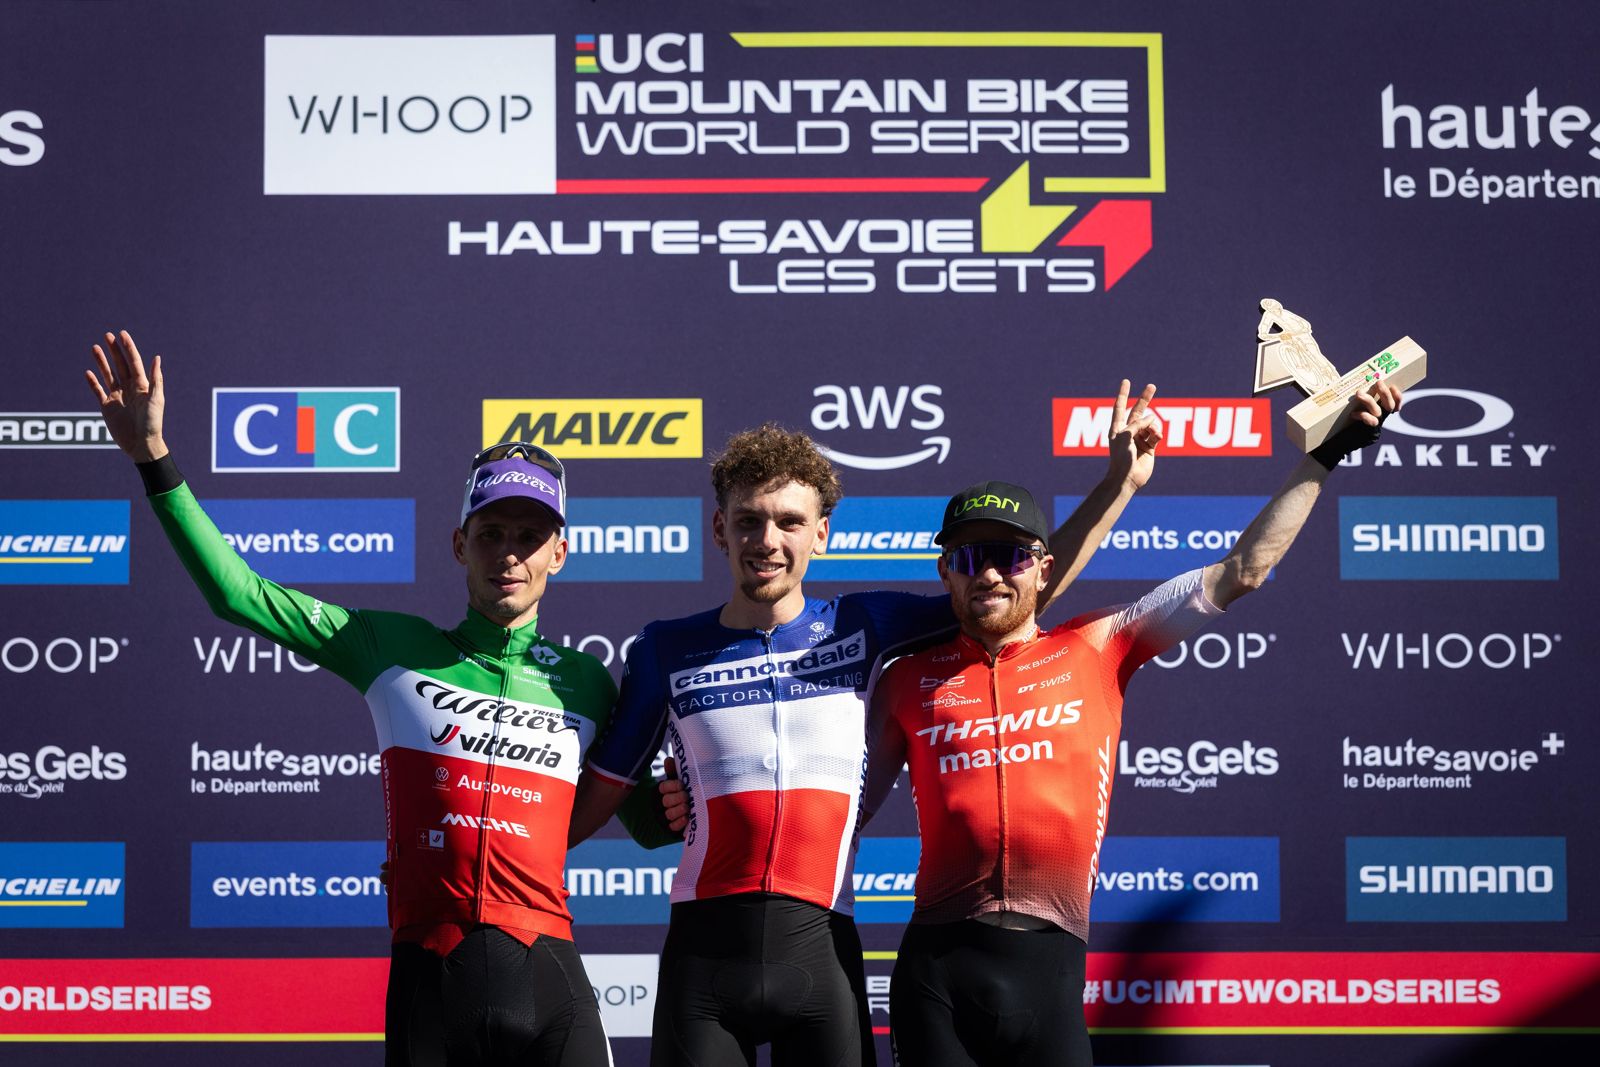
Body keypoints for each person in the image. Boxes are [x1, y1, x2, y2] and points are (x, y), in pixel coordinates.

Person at [84, 330, 669, 1067]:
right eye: (491, 533)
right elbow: (238, 594)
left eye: (529, 536)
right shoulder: (388, 644)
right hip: (431, 975)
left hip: (552, 975)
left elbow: (642, 822)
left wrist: (694, 792)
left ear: (560, 551)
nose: (509, 553)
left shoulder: (585, 680)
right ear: (459, 544)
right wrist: (153, 458)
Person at [563, 384, 1163, 1067]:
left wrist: (1119, 484)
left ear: (821, 533)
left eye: (790, 521)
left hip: (823, 955)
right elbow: (607, 794)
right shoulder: (663, 649)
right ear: (720, 529)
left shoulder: (865, 625)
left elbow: (1012, 589)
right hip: (703, 965)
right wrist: (655, 811)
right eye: (750, 520)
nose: (768, 541)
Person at [861, 382, 1404, 1067]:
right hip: (934, 975)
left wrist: (1325, 455)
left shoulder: (1099, 643)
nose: (990, 574)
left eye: (1011, 556)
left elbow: (1243, 570)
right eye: (970, 558)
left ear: (1043, 568)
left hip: (1051, 973)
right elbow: (842, 811)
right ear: (946, 571)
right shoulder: (907, 677)